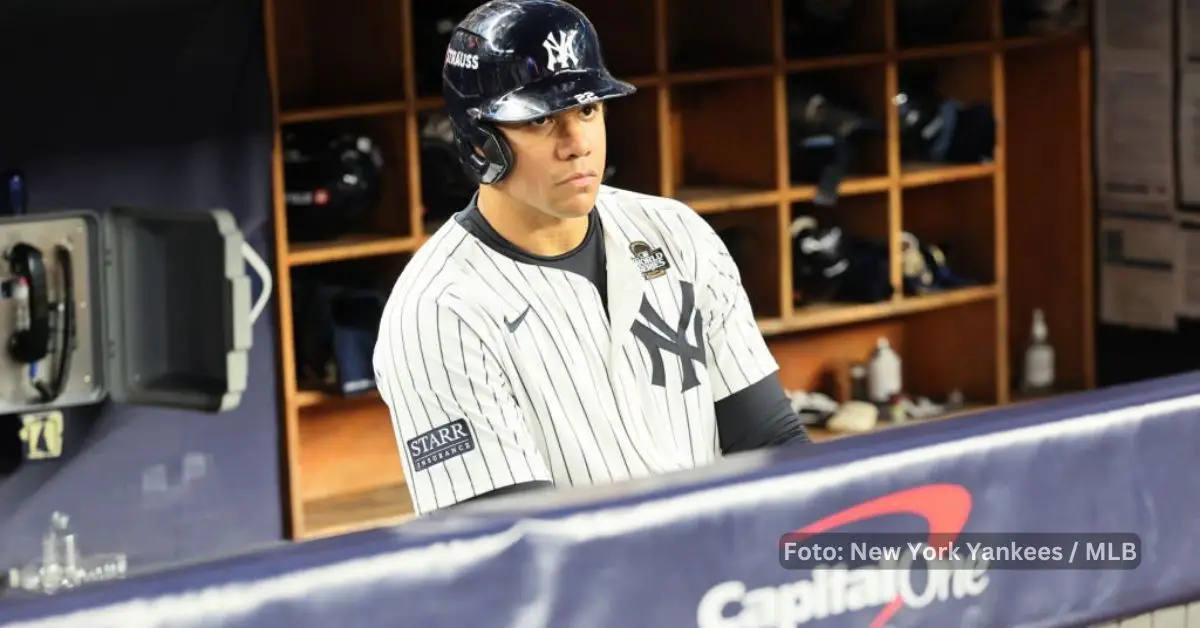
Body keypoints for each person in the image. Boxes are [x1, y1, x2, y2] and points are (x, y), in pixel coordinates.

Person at [373, 0, 811, 516]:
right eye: (541, 120)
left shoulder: (676, 233)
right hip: (582, 591)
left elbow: (771, 441)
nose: (577, 143)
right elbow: (508, 546)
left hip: (713, 574)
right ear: (479, 141)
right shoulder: (440, 313)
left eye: (587, 109)